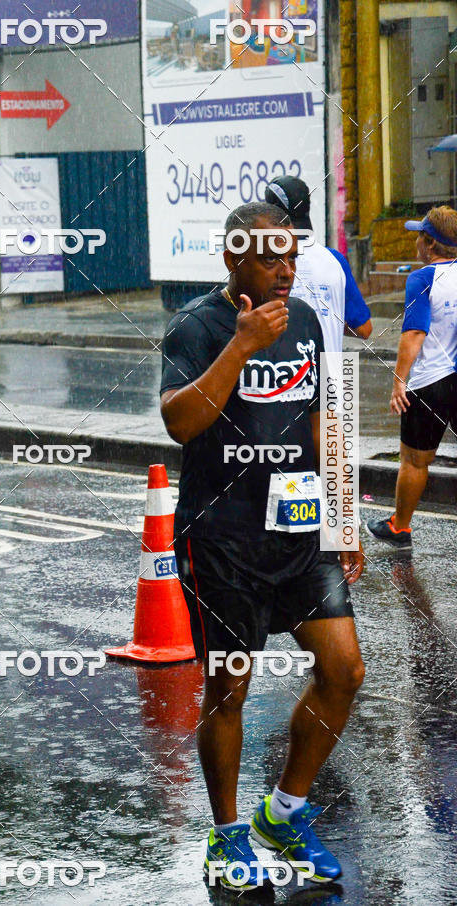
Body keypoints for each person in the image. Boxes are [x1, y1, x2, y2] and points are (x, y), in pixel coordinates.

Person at [160, 202, 365, 891]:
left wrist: (341, 512)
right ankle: (226, 839)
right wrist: (242, 345)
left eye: (291, 255)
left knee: (343, 670)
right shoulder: (196, 326)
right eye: (271, 257)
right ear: (233, 260)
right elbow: (180, 423)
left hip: (300, 530)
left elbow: (321, 419)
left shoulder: (305, 320)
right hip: (224, 538)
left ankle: (285, 811)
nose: (287, 269)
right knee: (229, 689)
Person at [367, 206, 457, 548]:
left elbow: (414, 335)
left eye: (420, 236)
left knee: (415, 460)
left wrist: (398, 381)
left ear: (430, 244)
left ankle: (400, 527)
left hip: (428, 384)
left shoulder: (421, 279)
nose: (417, 242)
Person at [265, 175, 372, 352]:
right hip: (333, 375)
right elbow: (365, 329)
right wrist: (327, 325)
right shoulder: (336, 260)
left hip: (291, 375)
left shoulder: (268, 264)